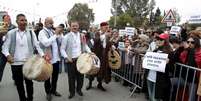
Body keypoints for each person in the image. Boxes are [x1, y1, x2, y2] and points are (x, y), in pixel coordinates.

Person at [2, 14, 44, 101]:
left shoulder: (31, 33)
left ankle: (30, 99)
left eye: (25, 20)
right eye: (21, 20)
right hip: (15, 64)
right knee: (19, 84)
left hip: (28, 63)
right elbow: (4, 47)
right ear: (17, 22)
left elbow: (37, 45)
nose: (24, 22)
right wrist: (8, 55)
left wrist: (43, 55)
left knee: (29, 84)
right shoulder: (11, 33)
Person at [60, 21, 91, 99]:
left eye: (76, 26)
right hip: (71, 60)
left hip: (81, 60)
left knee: (81, 76)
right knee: (71, 78)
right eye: (73, 26)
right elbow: (62, 49)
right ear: (70, 27)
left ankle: (79, 90)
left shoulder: (82, 36)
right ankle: (72, 92)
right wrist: (66, 57)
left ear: (78, 27)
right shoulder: (66, 37)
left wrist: (90, 52)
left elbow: (85, 45)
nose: (74, 27)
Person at [38, 17, 62, 101]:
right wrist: (56, 34)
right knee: (47, 77)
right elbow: (46, 43)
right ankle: (48, 92)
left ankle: (53, 90)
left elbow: (59, 41)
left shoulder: (52, 31)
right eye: (50, 23)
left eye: (52, 23)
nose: (52, 24)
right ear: (45, 23)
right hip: (47, 59)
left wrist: (60, 34)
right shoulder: (42, 32)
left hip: (56, 59)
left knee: (55, 77)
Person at [86, 22, 112, 91]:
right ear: (101, 27)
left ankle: (99, 84)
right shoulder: (97, 33)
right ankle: (90, 83)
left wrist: (112, 46)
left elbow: (108, 44)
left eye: (107, 27)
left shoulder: (108, 35)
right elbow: (95, 41)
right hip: (96, 55)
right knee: (93, 69)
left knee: (102, 70)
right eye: (105, 27)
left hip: (104, 56)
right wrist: (104, 36)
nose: (107, 28)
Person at [0, 14, 16, 83]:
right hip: (2, 50)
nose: (8, 20)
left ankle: (15, 79)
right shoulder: (0, 27)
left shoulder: (14, 27)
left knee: (14, 67)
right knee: (0, 66)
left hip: (11, 50)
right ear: (3, 20)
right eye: (6, 19)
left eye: (9, 18)